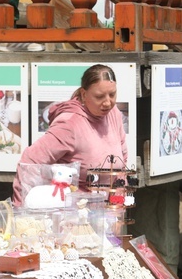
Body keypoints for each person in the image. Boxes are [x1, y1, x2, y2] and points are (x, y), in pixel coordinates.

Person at [12, 64, 127, 206]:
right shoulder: (69, 124)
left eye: (112, 94)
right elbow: (30, 161)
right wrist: (22, 212)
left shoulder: (113, 113)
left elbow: (122, 155)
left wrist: (118, 200)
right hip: (74, 214)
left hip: (107, 210)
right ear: (84, 95)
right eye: (99, 96)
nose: (108, 102)